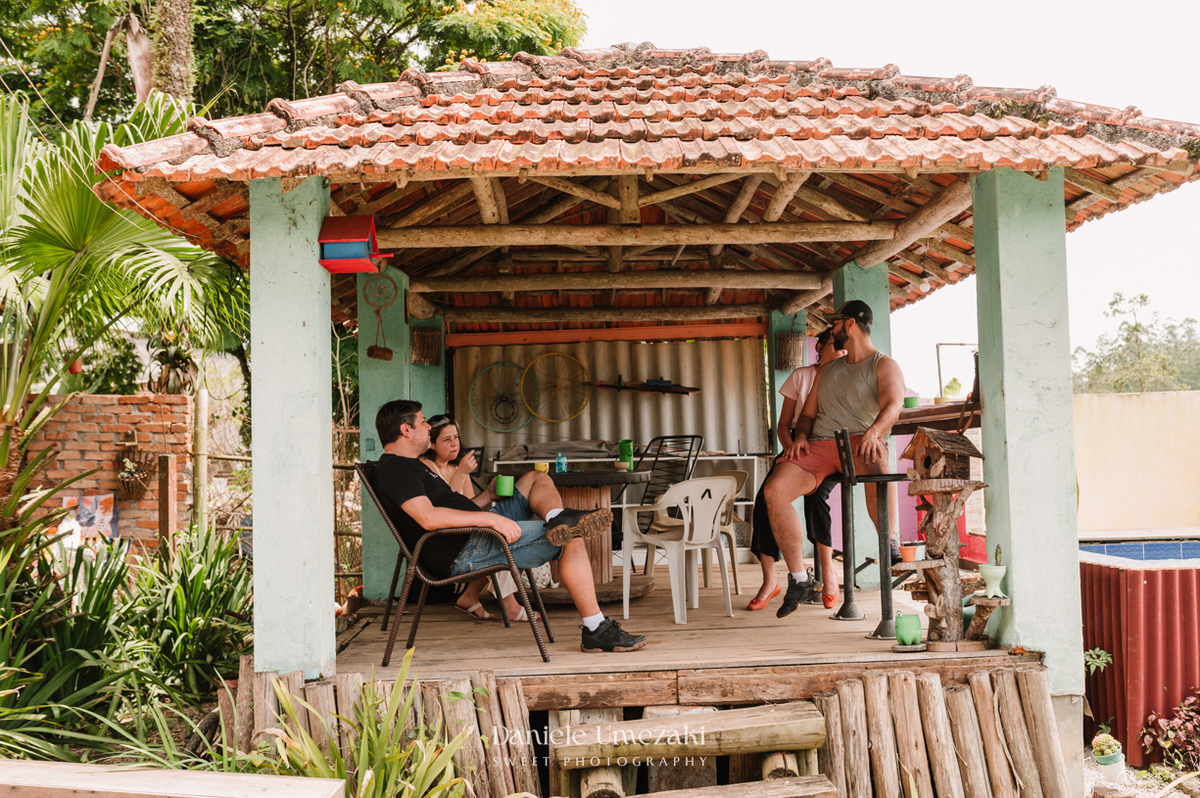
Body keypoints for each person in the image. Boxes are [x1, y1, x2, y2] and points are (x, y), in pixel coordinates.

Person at [370, 399, 648, 653]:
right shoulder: (397, 468)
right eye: (422, 422)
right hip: (464, 550)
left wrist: (488, 501)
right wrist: (491, 519)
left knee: (533, 479)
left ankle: (557, 517)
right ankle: (595, 629)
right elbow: (428, 518)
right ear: (406, 430)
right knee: (571, 536)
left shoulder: (411, 465)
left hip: (473, 535)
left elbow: (451, 508)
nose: (428, 426)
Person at [762, 299, 905, 618]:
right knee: (774, 491)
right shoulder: (826, 370)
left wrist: (873, 431)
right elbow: (808, 415)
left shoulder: (883, 365)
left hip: (859, 442)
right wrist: (799, 438)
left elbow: (894, 406)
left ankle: (890, 542)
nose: (832, 328)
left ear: (851, 324)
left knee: (878, 458)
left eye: (837, 322)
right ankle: (799, 578)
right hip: (820, 446)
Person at [748, 330, 844, 611]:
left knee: (817, 499)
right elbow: (782, 424)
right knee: (765, 499)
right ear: (820, 346)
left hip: (829, 452)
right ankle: (770, 580)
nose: (839, 351)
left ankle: (827, 571)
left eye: (843, 348)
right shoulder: (801, 376)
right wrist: (791, 449)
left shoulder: (846, 376)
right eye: (833, 345)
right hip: (798, 448)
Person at [419, 414, 531, 622]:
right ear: (431, 443)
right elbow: (443, 511)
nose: (455, 444)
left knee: (505, 530)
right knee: (499, 537)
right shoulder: (425, 468)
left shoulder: (457, 467)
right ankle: (509, 603)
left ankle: (471, 597)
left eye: (456, 438)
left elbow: (469, 508)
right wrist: (461, 474)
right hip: (443, 541)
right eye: (447, 439)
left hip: (466, 533)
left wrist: (489, 495)